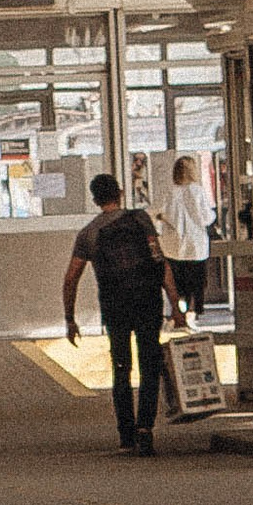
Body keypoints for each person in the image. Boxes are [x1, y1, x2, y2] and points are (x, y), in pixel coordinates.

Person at [62, 175, 170, 453]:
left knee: (121, 367)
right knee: (149, 363)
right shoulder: (140, 220)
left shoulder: (88, 234)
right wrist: (175, 301)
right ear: (120, 193)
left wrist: (70, 319)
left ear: (95, 199)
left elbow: (71, 278)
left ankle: (126, 436)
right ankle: (145, 428)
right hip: (148, 301)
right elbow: (159, 260)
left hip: (115, 305)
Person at [155, 153, 213, 326]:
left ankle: (179, 314)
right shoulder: (198, 191)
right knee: (196, 284)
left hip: (173, 247)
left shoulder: (169, 192)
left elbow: (160, 215)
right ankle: (192, 313)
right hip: (196, 247)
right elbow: (206, 218)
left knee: (177, 286)